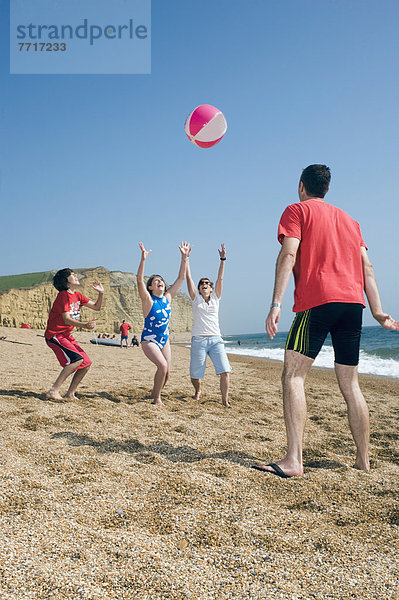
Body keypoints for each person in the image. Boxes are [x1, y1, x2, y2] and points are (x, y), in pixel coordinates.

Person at [252, 164, 399, 479]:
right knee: (351, 384)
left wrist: (276, 303)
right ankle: (363, 461)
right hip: (353, 305)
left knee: (293, 377)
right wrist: (378, 311)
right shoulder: (350, 220)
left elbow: (288, 255)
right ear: (327, 189)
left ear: (301, 186)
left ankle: (294, 460)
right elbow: (368, 268)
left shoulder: (297, 210)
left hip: (317, 302)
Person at [137, 241, 191, 406]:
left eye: (161, 280)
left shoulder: (167, 298)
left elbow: (181, 277)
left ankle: (155, 392)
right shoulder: (148, 300)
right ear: (150, 287)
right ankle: (156, 399)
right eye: (155, 281)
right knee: (162, 366)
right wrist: (143, 259)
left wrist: (184, 257)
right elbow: (139, 280)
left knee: (167, 372)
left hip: (164, 339)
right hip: (149, 340)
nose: (159, 282)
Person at [45, 269, 104, 401]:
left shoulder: (77, 295)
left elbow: (96, 307)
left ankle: (70, 393)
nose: (76, 275)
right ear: (66, 281)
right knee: (76, 359)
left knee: (86, 363)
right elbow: (66, 319)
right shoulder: (63, 295)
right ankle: (53, 391)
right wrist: (85, 325)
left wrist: (101, 293)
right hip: (55, 335)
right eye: (72, 274)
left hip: (66, 336)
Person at [186, 244, 232, 407]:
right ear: (199, 288)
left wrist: (222, 259)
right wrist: (186, 258)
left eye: (207, 283)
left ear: (211, 288)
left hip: (215, 339)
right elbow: (188, 278)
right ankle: (197, 390)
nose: (204, 284)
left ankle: (224, 400)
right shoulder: (195, 299)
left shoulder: (216, 298)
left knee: (225, 371)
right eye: (201, 283)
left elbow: (220, 278)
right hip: (198, 340)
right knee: (195, 375)